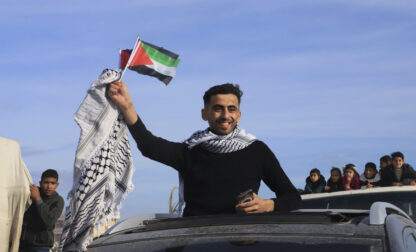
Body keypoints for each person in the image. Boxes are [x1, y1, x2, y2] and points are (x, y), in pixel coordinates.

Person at [108, 81, 301, 216]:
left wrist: (269, 205)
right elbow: (149, 146)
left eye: (231, 109)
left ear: (239, 115)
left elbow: (293, 197)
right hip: (196, 240)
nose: (226, 115)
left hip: (244, 241)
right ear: (204, 114)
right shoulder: (190, 151)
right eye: (218, 108)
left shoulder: (257, 150)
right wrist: (127, 107)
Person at [19, 169, 64, 252]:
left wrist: (38, 199)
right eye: (46, 182)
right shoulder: (30, 194)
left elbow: (49, 221)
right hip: (23, 245)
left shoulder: (58, 200)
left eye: (52, 183)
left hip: (42, 246)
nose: (49, 186)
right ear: (40, 183)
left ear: (56, 185)